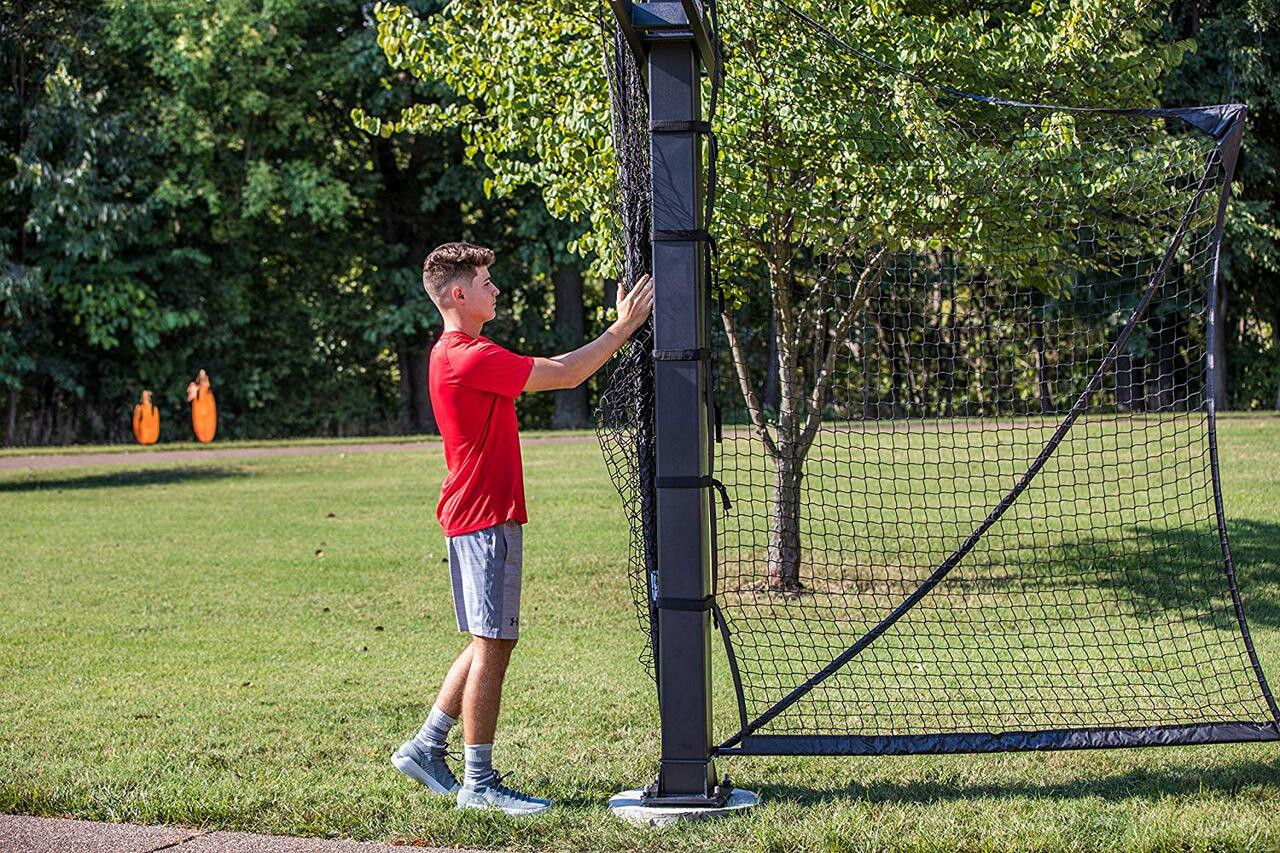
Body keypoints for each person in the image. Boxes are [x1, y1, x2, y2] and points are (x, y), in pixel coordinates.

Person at [390, 242, 653, 815]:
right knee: (494, 643)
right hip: (483, 518)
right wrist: (624, 326)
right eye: (486, 281)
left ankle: (426, 747)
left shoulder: (461, 351)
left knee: (491, 638)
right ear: (458, 294)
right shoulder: (465, 355)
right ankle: (477, 785)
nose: (496, 289)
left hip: (481, 516)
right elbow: (566, 374)